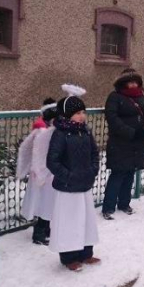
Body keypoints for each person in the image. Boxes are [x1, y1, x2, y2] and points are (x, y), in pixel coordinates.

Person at [47, 85, 101, 272]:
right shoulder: (60, 134)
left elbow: (95, 153)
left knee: (86, 220)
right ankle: (69, 257)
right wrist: (69, 176)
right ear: (67, 115)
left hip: (84, 185)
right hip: (68, 187)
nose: (82, 116)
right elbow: (52, 162)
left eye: (83, 112)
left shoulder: (85, 131)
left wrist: (93, 170)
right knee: (69, 222)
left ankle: (86, 253)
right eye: (77, 113)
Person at [102, 69, 144, 220]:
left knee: (130, 173)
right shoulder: (114, 97)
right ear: (123, 83)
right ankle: (108, 207)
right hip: (120, 143)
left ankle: (124, 203)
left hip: (137, 142)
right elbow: (112, 118)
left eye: (135, 82)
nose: (133, 84)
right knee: (118, 174)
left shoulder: (141, 97)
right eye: (130, 82)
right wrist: (131, 132)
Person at [18, 98, 59, 245]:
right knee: (43, 204)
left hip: (50, 174)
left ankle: (46, 229)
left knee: (48, 204)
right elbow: (32, 152)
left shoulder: (50, 132)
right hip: (42, 175)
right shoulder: (42, 133)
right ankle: (39, 234)